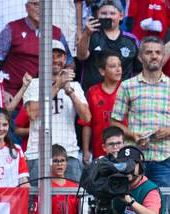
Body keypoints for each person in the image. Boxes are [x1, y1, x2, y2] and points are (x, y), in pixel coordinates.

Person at [111, 36, 170, 188]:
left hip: (164, 158)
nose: (154, 56)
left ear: (163, 56)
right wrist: (133, 135)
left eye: (158, 52)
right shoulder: (127, 86)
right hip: (134, 158)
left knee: (161, 208)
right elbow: (114, 122)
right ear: (140, 58)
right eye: (148, 52)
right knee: (132, 208)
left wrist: (168, 131)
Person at [113, 145, 168, 214]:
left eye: (132, 163)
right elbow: (115, 213)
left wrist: (130, 201)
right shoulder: (118, 186)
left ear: (141, 166)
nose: (127, 168)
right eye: (124, 164)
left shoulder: (149, 189)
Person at [77, 0, 141, 91]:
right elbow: (81, 56)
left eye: (112, 13)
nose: (108, 16)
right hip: (92, 96)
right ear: (97, 15)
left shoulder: (131, 40)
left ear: (121, 16)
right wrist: (86, 34)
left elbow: (138, 70)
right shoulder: (91, 35)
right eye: (103, 13)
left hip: (122, 97)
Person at [52, 40, 91, 181]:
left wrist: (70, 92)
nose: (55, 60)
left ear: (65, 59)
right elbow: (33, 113)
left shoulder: (75, 86)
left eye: (59, 56)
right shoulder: (34, 83)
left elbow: (86, 118)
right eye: (51, 56)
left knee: (72, 200)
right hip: (41, 154)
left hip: (70, 152)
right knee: (39, 201)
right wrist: (58, 85)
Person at [80, 51, 124, 165]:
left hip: (124, 151)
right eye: (113, 66)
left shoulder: (127, 89)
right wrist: (86, 151)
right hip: (100, 151)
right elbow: (87, 123)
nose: (118, 69)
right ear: (102, 71)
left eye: (119, 65)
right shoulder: (93, 92)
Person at [50, 144, 80, 214]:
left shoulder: (74, 187)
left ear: (67, 163)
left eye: (62, 160)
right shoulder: (45, 188)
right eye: (55, 161)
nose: (60, 164)